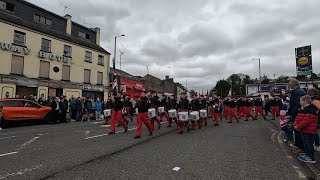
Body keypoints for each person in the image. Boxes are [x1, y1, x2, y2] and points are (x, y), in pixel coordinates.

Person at [294, 95, 318, 164]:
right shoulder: (304, 109)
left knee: (309, 144)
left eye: (300, 101)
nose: (300, 102)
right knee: (306, 144)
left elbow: (306, 121)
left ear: (305, 101)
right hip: (304, 130)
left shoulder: (311, 110)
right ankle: (307, 155)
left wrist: (297, 126)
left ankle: (311, 158)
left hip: (309, 131)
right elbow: (298, 118)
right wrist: (296, 125)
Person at [288, 78, 307, 150]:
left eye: (290, 83)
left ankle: (300, 147)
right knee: (296, 130)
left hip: (298, 114)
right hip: (297, 113)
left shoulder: (299, 91)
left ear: (294, 83)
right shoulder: (297, 91)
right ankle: (298, 145)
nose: (289, 84)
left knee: (298, 130)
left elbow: (297, 104)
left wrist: (292, 113)